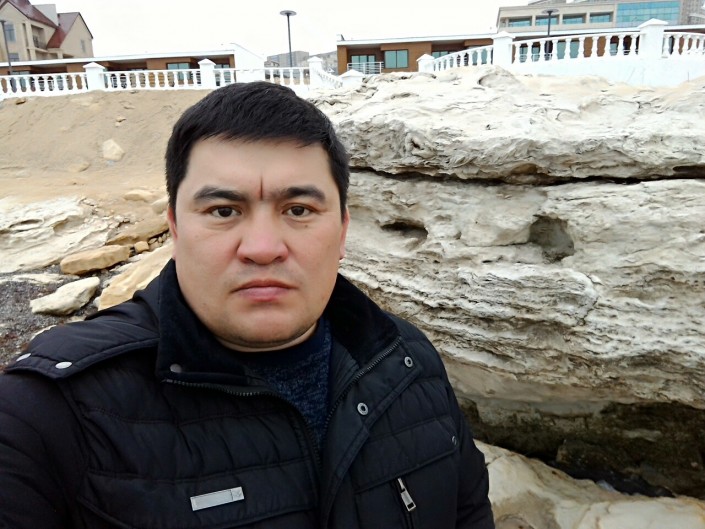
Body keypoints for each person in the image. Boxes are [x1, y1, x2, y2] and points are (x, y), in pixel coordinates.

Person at [0, 81, 494, 529]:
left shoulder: (409, 363)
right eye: (223, 211)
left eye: (298, 210)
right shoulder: (48, 415)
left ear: (343, 231)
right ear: (175, 228)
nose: (262, 248)